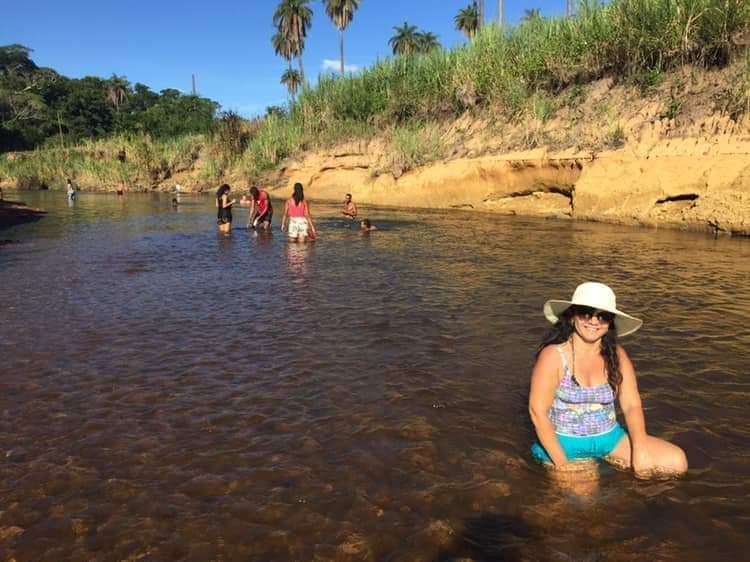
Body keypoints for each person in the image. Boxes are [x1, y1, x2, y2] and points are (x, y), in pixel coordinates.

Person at [528, 282, 688, 479]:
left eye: (603, 316)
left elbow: (631, 405)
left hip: (610, 439)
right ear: (572, 316)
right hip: (564, 443)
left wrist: (640, 450)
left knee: (676, 462)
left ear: (610, 322)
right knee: (588, 493)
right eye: (586, 313)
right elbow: (537, 412)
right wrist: (563, 465)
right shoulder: (553, 356)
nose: (594, 321)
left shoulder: (616, 355)